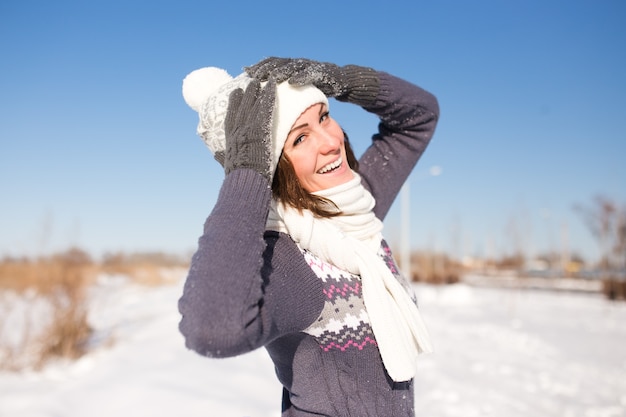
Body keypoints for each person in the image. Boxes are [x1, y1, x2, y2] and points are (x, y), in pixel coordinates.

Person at [179, 57, 440, 416]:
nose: (331, 142)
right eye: (300, 138)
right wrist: (246, 174)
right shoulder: (288, 258)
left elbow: (419, 116)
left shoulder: (357, 210)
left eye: (323, 116)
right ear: (267, 162)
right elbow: (213, 330)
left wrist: (339, 80)